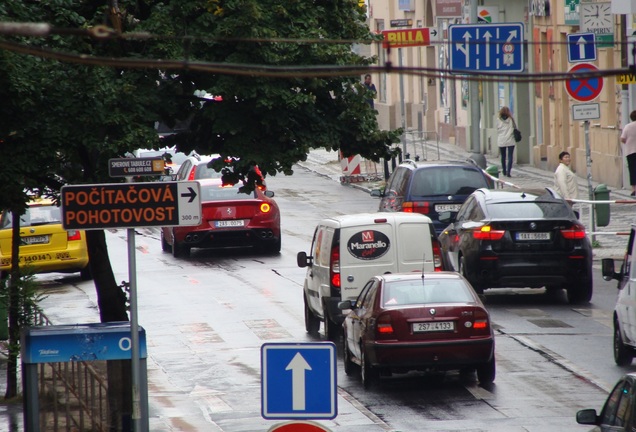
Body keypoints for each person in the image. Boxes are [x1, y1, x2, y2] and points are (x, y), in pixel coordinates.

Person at [497, 106, 516, 177]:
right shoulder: (511, 120)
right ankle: (509, 171)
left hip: (501, 140)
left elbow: (497, 129)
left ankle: (504, 171)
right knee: (510, 156)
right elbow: (513, 128)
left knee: (503, 156)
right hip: (510, 139)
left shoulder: (498, 120)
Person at [620, 109, 636, 196]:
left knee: (633, 170)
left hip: (631, 151)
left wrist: (627, 141)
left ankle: (634, 189)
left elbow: (622, 138)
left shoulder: (628, 126)